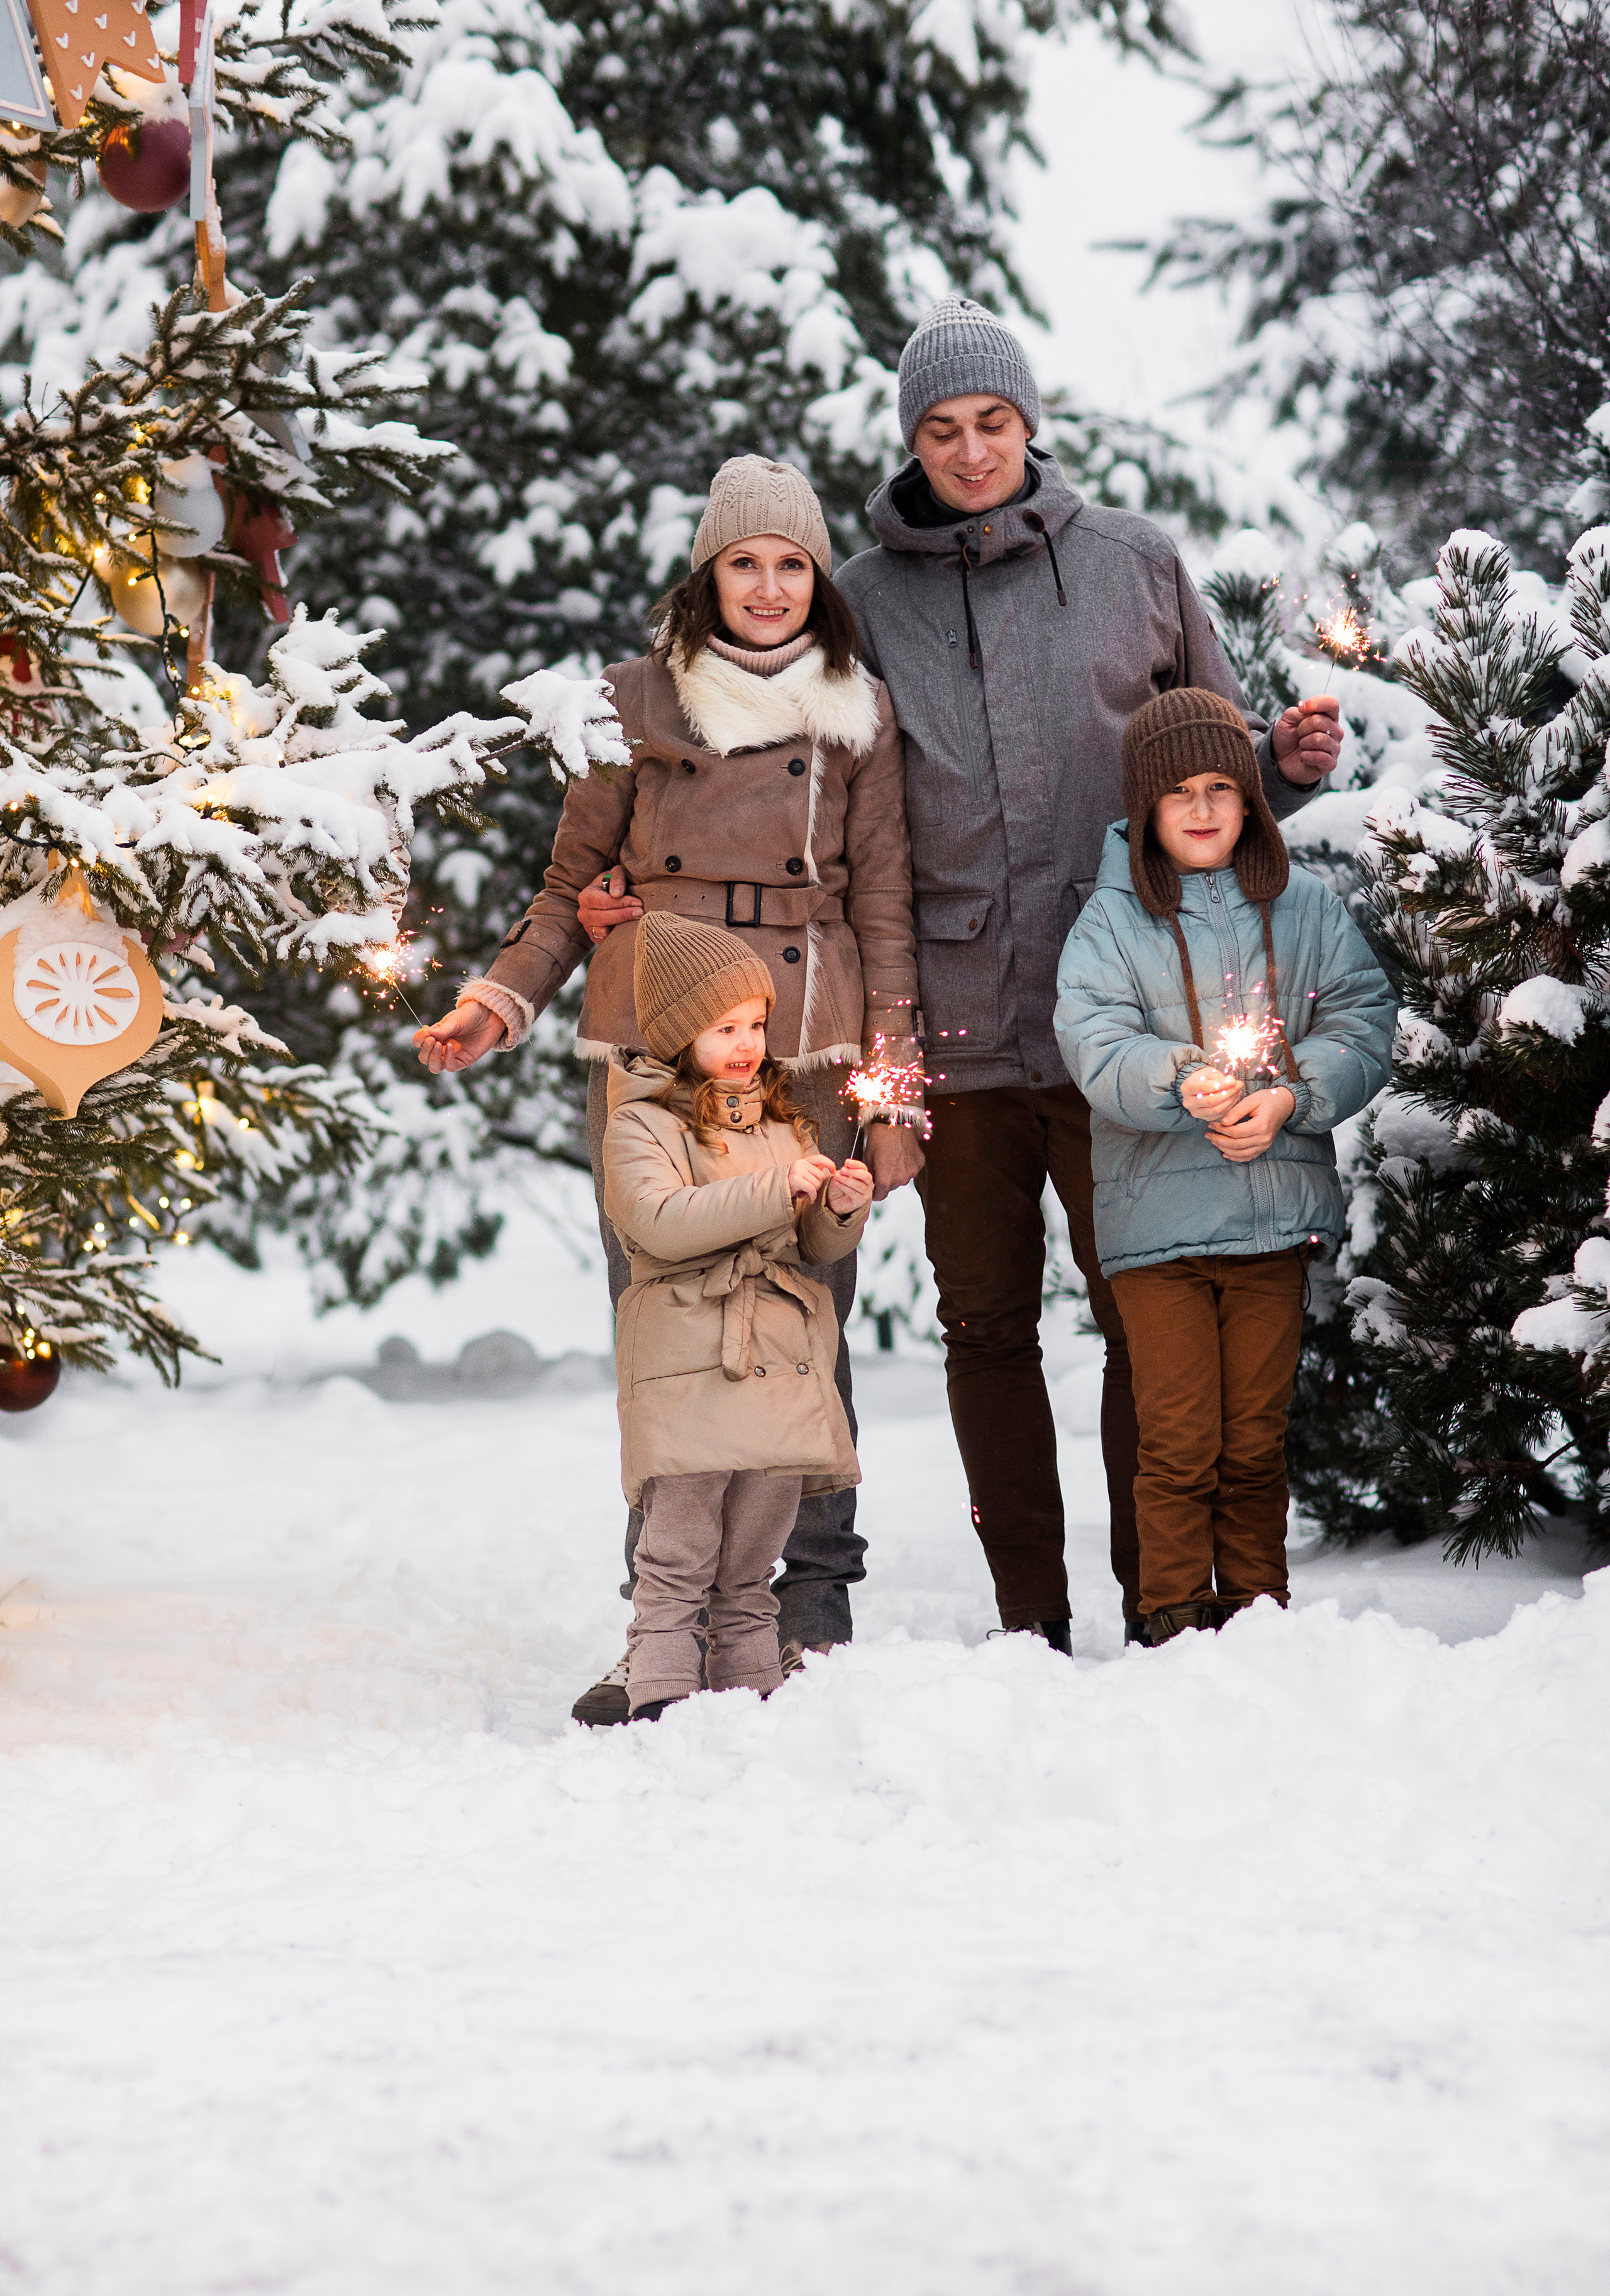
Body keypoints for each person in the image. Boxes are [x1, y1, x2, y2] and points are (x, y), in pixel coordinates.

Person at [833, 294, 1345, 1649]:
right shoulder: (860, 600)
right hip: (956, 1032)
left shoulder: (1131, 563)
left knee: (1144, 1315)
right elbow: (825, 816)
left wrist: (1280, 771)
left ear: (1029, 423)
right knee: (984, 1326)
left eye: (991, 422)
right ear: (910, 442)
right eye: (941, 430)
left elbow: (1212, 780)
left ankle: (1161, 1599)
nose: (970, 451)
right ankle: (1026, 1623)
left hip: (1132, 1032)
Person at [413, 454, 920, 1723]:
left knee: (802, 1324)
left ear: (817, 579)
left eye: (790, 563)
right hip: (655, 1046)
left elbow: (885, 910)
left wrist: (892, 1092)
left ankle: (803, 1608)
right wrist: (497, 997)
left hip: (804, 1046)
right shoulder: (627, 702)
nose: (766, 585)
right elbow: (562, 888)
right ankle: (661, 1619)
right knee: (664, 1330)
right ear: (707, 574)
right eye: (743, 562)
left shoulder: (859, 710)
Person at [1052, 689, 1394, 1641]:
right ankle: (1169, 1617)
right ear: (1145, 810)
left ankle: (1257, 1618)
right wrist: (1179, 1079)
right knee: (1178, 1440)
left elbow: (1363, 1019)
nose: (1202, 809)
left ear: (1249, 797)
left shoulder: (1304, 906)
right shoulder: (1112, 922)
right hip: (1157, 1237)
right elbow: (1093, 1038)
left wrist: (1292, 1093)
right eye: (1178, 794)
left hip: (1274, 1219)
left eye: (1220, 788)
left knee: (1252, 1440)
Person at [602, 913, 872, 1717]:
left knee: (752, 1550)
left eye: (755, 1023)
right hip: (693, 1357)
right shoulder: (640, 1124)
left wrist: (838, 1209)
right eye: (724, 1026)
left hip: (777, 1360)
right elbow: (661, 1221)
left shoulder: (784, 1125)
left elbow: (804, 1245)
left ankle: (748, 1689)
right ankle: (660, 1689)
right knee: (681, 1545)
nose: (748, 1041)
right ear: (682, 1033)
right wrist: (772, 1189)